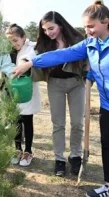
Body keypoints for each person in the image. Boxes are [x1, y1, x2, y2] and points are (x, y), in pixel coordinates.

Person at [13, 0, 109, 197]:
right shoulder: (91, 43)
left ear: (106, 21)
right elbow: (63, 54)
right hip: (108, 105)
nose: (87, 30)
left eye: (91, 26)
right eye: (85, 27)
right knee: (107, 146)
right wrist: (32, 62)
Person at [29, 11, 87, 177]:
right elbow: (34, 59)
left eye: (51, 28)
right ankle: (59, 159)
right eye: (45, 30)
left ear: (60, 25)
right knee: (58, 124)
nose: (48, 33)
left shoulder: (77, 40)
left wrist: (88, 71)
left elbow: (88, 60)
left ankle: (75, 156)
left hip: (76, 84)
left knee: (77, 123)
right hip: (55, 84)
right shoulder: (44, 45)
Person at [5, 24, 41, 167]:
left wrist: (25, 63)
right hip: (12, 90)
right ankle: (17, 149)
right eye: (9, 41)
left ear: (23, 37)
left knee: (27, 119)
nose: (13, 44)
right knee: (15, 121)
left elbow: (30, 59)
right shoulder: (7, 51)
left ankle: (28, 151)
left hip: (26, 90)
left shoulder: (31, 47)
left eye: (15, 40)